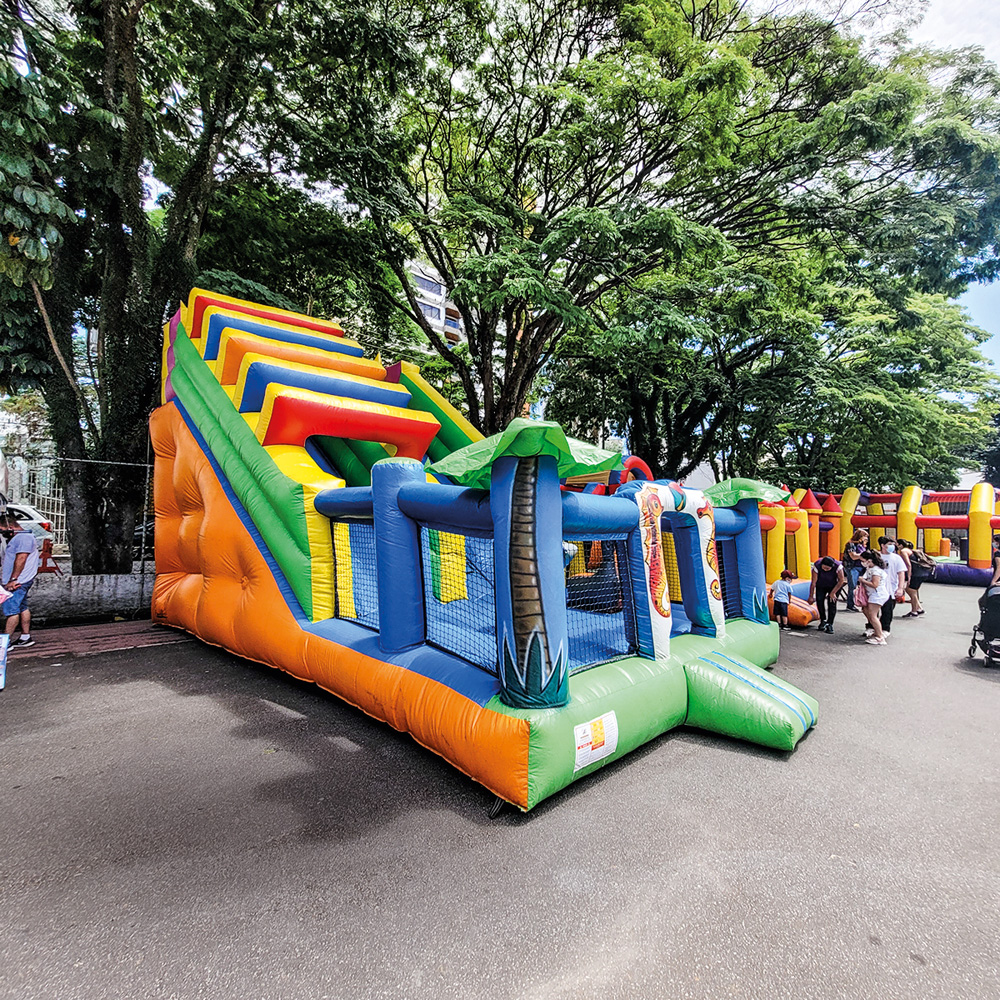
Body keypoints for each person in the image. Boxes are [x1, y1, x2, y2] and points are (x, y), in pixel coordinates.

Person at [1, 515, 39, 649]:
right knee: (22, 607)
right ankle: (25, 636)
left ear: (10, 527)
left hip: (17, 581)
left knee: (12, 611)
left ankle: (5, 643)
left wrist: (13, 579)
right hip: (21, 580)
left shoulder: (23, 538)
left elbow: (21, 558)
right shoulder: (22, 538)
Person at [877, 536, 907, 638]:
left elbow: (901, 573)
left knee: (888, 609)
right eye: (889, 544)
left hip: (891, 588)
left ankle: (885, 628)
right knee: (873, 609)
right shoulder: (877, 556)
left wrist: (900, 588)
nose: (892, 546)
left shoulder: (896, 558)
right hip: (877, 587)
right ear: (882, 545)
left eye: (893, 544)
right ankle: (872, 627)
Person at [858, 550, 889, 645]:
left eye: (863, 560)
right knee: (868, 612)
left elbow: (875, 584)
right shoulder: (871, 569)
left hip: (877, 595)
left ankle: (879, 636)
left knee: (873, 616)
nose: (862, 563)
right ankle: (877, 632)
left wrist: (863, 581)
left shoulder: (875, 571)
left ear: (869, 560)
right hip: (875, 594)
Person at [809, 555, 846, 634]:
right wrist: (811, 596)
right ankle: (823, 620)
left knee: (832, 603)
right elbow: (813, 583)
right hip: (821, 585)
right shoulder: (817, 565)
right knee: (819, 601)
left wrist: (833, 593)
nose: (826, 570)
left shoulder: (838, 567)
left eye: (828, 569)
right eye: (824, 568)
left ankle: (830, 623)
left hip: (834, 586)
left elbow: (841, 581)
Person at [897, 538, 929, 618]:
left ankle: (914, 611)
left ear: (900, 545)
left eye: (896, 544)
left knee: (911, 591)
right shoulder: (910, 550)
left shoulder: (903, 551)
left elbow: (908, 564)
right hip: (922, 573)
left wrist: (909, 576)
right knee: (912, 590)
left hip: (916, 573)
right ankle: (919, 608)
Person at [842, 529, 868, 611]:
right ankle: (850, 604)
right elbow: (853, 556)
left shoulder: (861, 545)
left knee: (861, 585)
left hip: (861, 567)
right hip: (852, 567)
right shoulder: (851, 544)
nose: (866, 539)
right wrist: (863, 556)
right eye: (865, 537)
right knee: (852, 586)